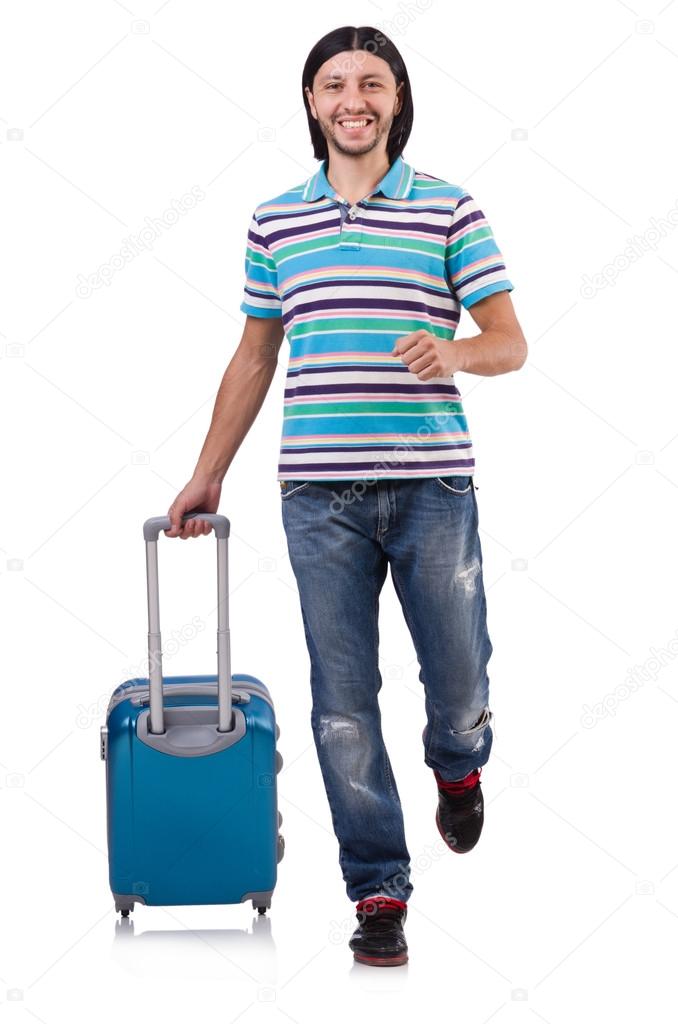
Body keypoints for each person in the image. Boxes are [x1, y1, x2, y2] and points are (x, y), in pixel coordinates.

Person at [165, 24, 527, 967]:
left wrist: (453, 350)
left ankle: (459, 761)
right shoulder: (275, 219)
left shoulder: (448, 208)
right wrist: (208, 471)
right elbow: (254, 356)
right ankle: (377, 888)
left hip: (431, 488)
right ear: (313, 102)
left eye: (371, 83)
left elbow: (509, 341)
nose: (352, 99)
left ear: (397, 99)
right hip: (315, 496)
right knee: (341, 699)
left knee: (456, 679)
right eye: (334, 84)